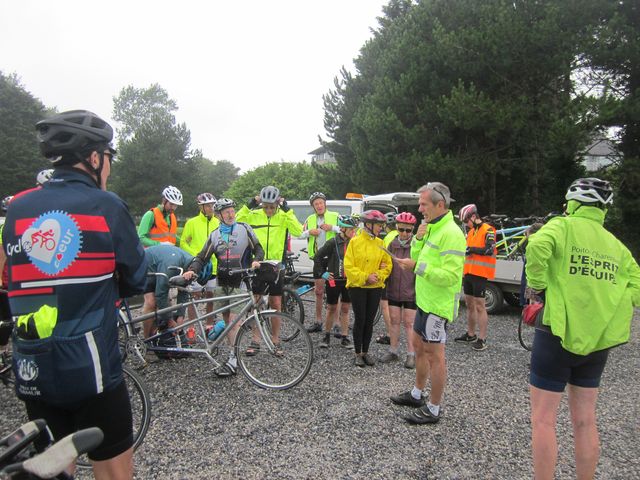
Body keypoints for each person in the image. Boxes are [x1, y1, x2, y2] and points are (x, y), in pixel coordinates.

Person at [2, 110, 147, 479]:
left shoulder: (17, 209)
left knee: (52, 467)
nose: (110, 168)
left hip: (33, 365)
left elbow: (11, 277)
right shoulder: (107, 206)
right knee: (113, 466)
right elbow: (136, 278)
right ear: (95, 158)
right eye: (109, 159)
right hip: (91, 368)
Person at [525, 177, 640, 480]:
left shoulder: (561, 226)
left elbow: (536, 246)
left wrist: (538, 286)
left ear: (572, 203)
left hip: (556, 334)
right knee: (586, 421)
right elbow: (637, 289)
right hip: (597, 341)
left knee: (543, 420)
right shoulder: (617, 246)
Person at [390, 182, 466, 425]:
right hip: (424, 301)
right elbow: (416, 256)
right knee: (420, 348)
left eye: (424, 204)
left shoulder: (452, 233)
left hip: (438, 307)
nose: (419, 208)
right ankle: (417, 393)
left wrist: (418, 267)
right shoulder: (432, 227)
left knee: (435, 356)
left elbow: (451, 276)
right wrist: (419, 240)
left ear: (440, 204)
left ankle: (433, 408)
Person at [182, 197, 264, 375]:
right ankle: (231, 353)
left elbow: (258, 248)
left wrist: (257, 260)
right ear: (219, 215)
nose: (231, 214)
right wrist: (191, 270)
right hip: (222, 282)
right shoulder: (215, 234)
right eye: (226, 212)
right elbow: (202, 257)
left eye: (232, 210)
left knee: (234, 322)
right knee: (227, 322)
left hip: (240, 281)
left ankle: (233, 360)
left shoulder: (244, 229)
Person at [236, 185, 303, 315]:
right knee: (257, 302)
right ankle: (257, 336)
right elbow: (236, 221)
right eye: (265, 206)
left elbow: (298, 231)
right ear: (261, 203)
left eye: (272, 207)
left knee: (276, 303)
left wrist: (287, 210)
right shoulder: (254, 215)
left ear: (278, 204)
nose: (269, 210)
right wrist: (250, 205)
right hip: (257, 263)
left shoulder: (283, 217)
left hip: (276, 265)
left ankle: (274, 336)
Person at [344, 210, 392, 367]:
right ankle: (357, 353)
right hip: (358, 287)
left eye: (381, 225)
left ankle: (366, 351)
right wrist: (366, 277)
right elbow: (348, 267)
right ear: (369, 224)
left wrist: (377, 275)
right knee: (360, 319)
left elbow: (388, 265)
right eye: (378, 225)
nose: (381, 228)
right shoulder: (354, 242)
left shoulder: (380, 243)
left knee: (369, 321)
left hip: (375, 287)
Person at [454, 204, 496, 351]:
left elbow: (489, 249)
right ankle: (471, 334)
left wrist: (471, 249)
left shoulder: (488, 230)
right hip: (469, 272)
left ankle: (482, 338)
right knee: (469, 305)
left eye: (466, 221)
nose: (466, 224)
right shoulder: (471, 232)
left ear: (473, 216)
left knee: (480, 306)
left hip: (480, 273)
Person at [312, 214, 358, 350]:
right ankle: (326, 335)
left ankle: (344, 337)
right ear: (343, 229)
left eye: (354, 229)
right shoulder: (332, 242)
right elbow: (317, 257)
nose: (353, 232)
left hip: (348, 281)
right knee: (331, 308)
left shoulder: (354, 242)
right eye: (351, 229)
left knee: (345, 308)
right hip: (334, 280)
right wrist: (323, 273)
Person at [379, 212, 418, 368]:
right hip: (394, 288)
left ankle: (411, 355)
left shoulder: (417, 245)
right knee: (394, 321)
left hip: (411, 290)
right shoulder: (391, 245)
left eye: (408, 230)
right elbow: (384, 263)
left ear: (412, 230)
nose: (404, 233)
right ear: (396, 228)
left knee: (409, 323)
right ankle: (393, 351)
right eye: (401, 229)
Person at [300, 192, 341, 334]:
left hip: (332, 259)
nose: (319, 205)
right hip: (318, 259)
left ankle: (336, 323)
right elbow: (299, 233)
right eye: (315, 204)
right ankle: (318, 321)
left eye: (320, 203)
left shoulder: (335, 216)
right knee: (318, 291)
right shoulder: (310, 219)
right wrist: (309, 232)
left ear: (325, 203)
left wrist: (333, 228)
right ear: (313, 206)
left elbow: (347, 230)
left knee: (334, 290)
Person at [142, 244, 194, 340]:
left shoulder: (192, 267)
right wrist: (170, 320)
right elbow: (160, 294)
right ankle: (145, 340)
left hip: (160, 265)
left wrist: (180, 316)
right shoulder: (173, 263)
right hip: (147, 265)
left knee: (166, 305)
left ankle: (155, 335)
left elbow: (184, 290)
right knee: (152, 302)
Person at [181, 193, 220, 317]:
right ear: (201, 207)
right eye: (207, 206)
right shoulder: (192, 223)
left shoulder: (218, 222)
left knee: (211, 296)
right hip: (197, 265)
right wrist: (196, 256)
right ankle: (192, 327)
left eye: (212, 205)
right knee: (195, 296)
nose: (211, 208)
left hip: (213, 266)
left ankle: (209, 325)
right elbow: (183, 242)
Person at [375, 212, 398, 346]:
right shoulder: (400, 236)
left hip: (389, 276)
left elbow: (382, 259)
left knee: (385, 306)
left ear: (385, 226)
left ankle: (391, 335)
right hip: (401, 277)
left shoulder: (387, 238)